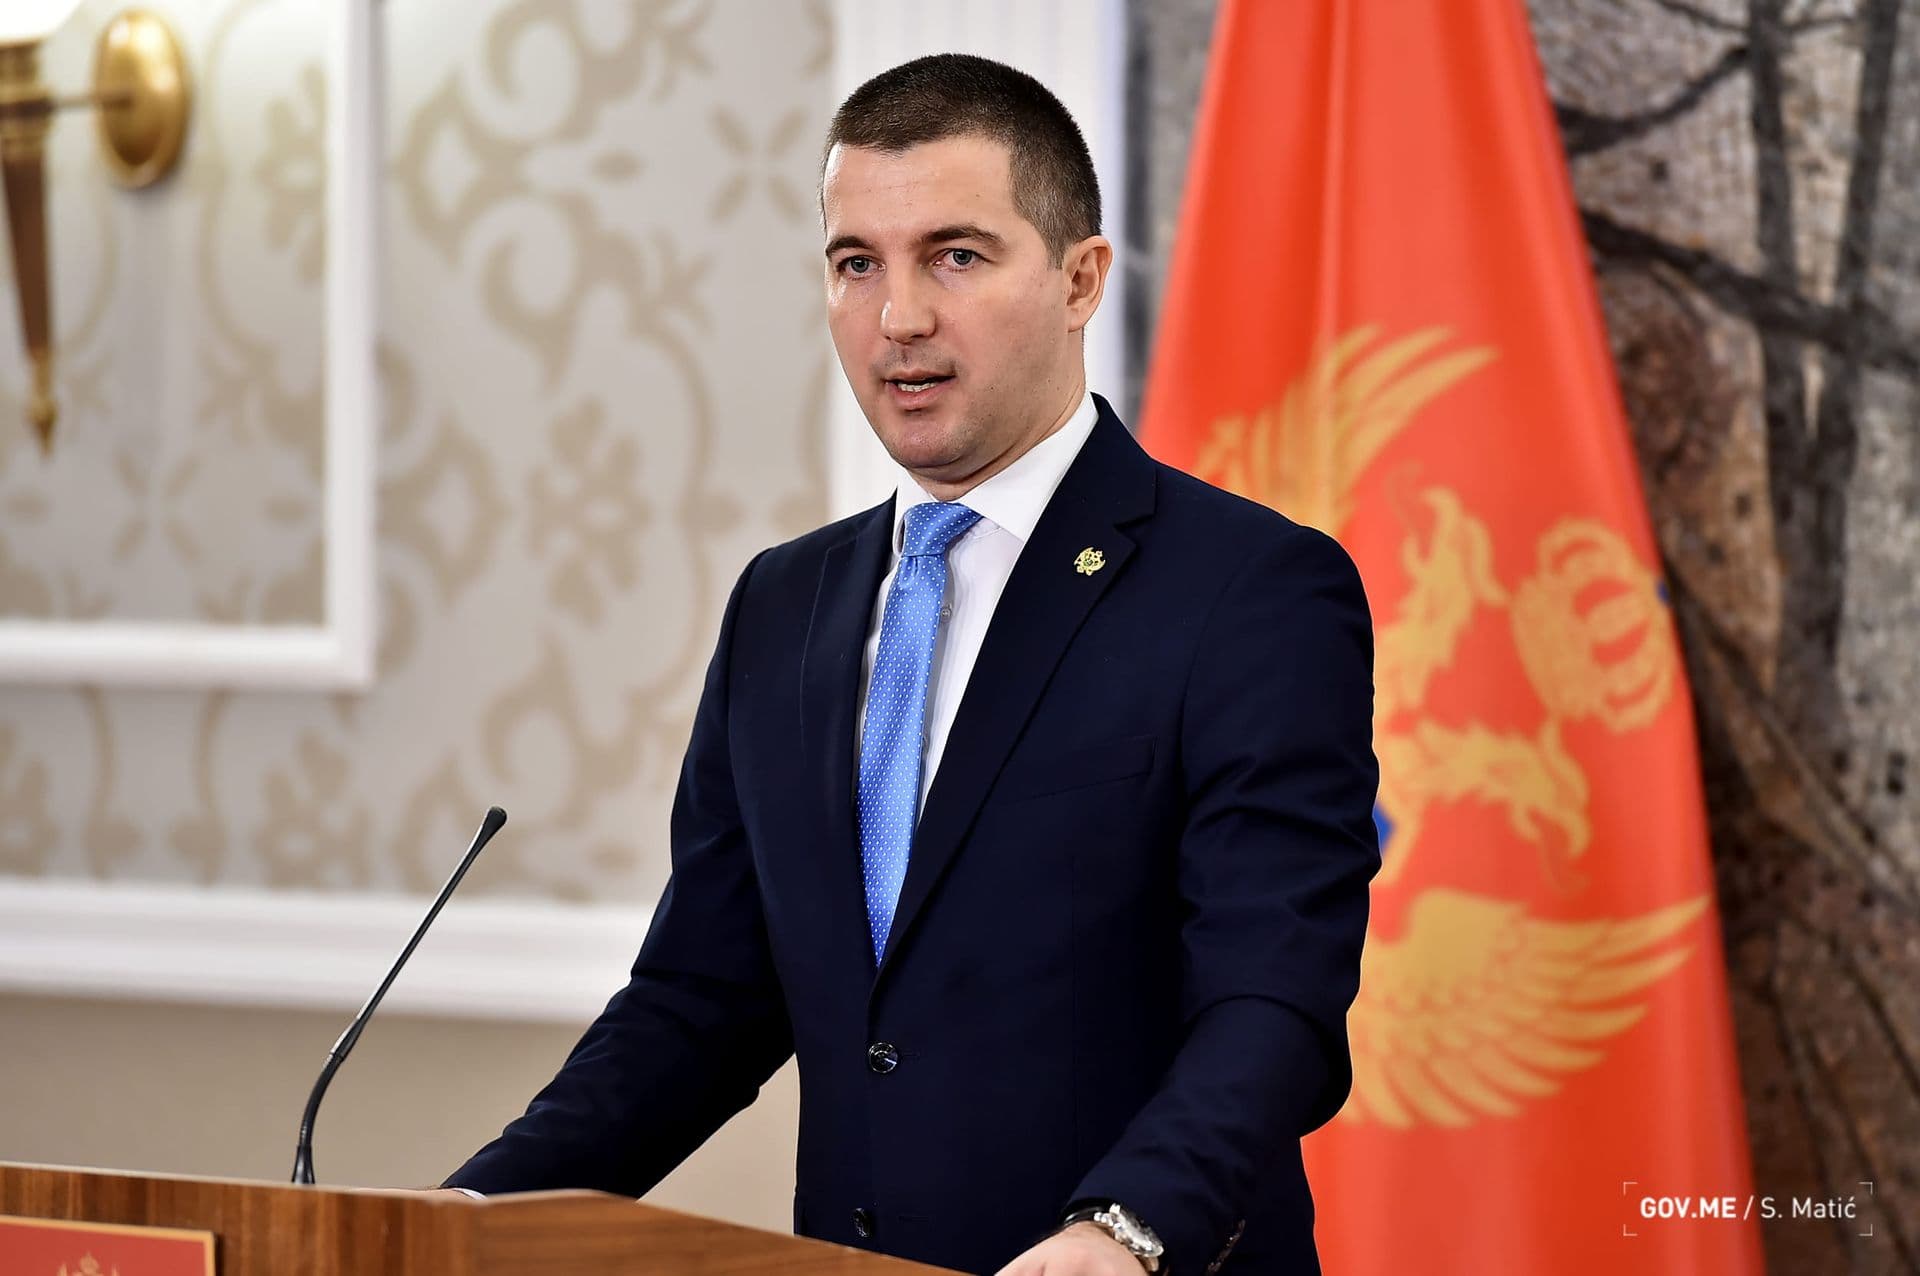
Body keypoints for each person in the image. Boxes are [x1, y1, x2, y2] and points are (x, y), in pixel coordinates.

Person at [445, 53, 1378, 1276]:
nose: (899, 318)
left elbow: (1275, 996)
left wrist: (1126, 1229)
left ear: (1080, 279)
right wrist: (459, 1217)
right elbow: (699, 1003)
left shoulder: (1250, 590)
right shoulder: (783, 605)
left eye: (956, 256)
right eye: (856, 264)